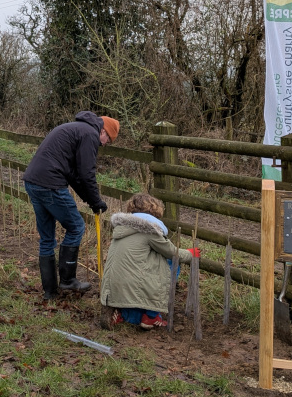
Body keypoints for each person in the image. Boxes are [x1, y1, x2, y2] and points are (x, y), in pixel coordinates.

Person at [22, 112, 119, 300]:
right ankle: (67, 279)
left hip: (33, 181)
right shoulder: (89, 135)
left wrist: (92, 201)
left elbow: (74, 175)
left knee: (47, 238)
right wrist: (97, 201)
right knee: (76, 227)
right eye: (108, 139)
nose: (105, 144)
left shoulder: (76, 129)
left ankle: (50, 292)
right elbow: (86, 174)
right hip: (50, 183)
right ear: (104, 131)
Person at [99, 193, 197, 330]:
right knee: (171, 262)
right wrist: (190, 254)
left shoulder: (121, 229)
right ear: (155, 212)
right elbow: (172, 252)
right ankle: (151, 316)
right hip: (133, 283)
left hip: (113, 284)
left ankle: (123, 313)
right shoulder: (149, 229)